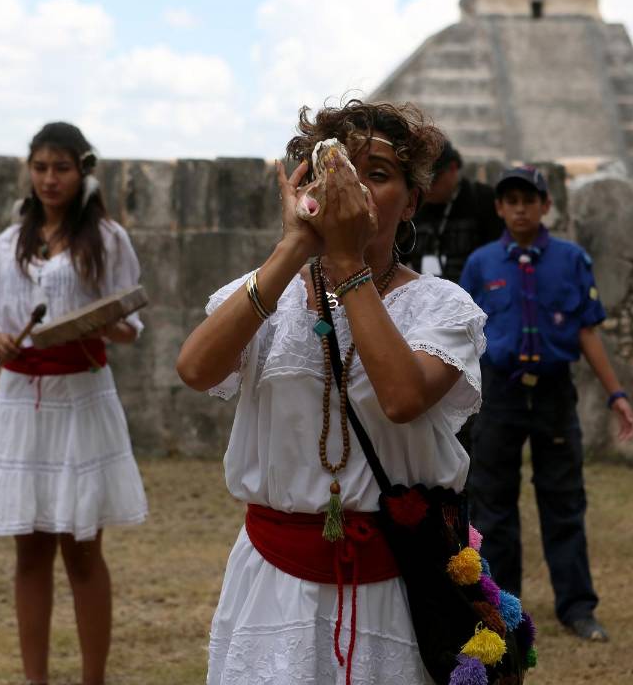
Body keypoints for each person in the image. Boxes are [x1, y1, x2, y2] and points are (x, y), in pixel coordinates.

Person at [178, 100, 485, 684]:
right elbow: (195, 368)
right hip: (273, 580)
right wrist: (295, 245)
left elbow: (401, 398)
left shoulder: (444, 307)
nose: (355, 188)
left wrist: (347, 262)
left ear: (412, 200)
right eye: (338, 169)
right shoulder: (266, 295)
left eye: (376, 173)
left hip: (391, 584)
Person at [0, 122, 148, 685]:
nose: (50, 179)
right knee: (29, 551)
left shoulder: (108, 239)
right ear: (29, 169)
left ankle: (92, 679)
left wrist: (107, 325)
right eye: (41, 167)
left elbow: (129, 323)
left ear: (83, 171)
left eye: (62, 168)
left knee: (81, 548)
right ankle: (35, 680)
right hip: (22, 401)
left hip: (80, 397)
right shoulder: (8, 242)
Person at [459, 166, 633, 643]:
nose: (520, 208)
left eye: (529, 199)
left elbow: (587, 330)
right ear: (498, 207)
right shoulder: (480, 264)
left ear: (545, 206)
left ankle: (577, 607)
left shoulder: (572, 259)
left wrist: (617, 394)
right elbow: (464, 337)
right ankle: (501, 606)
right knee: (494, 504)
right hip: (500, 392)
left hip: (555, 391)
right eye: (510, 199)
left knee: (563, 500)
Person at [405, 139, 503, 282]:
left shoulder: (483, 200)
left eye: (432, 180)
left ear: (453, 168)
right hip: (423, 294)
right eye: (420, 181)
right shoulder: (413, 205)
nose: (426, 188)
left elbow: (496, 256)